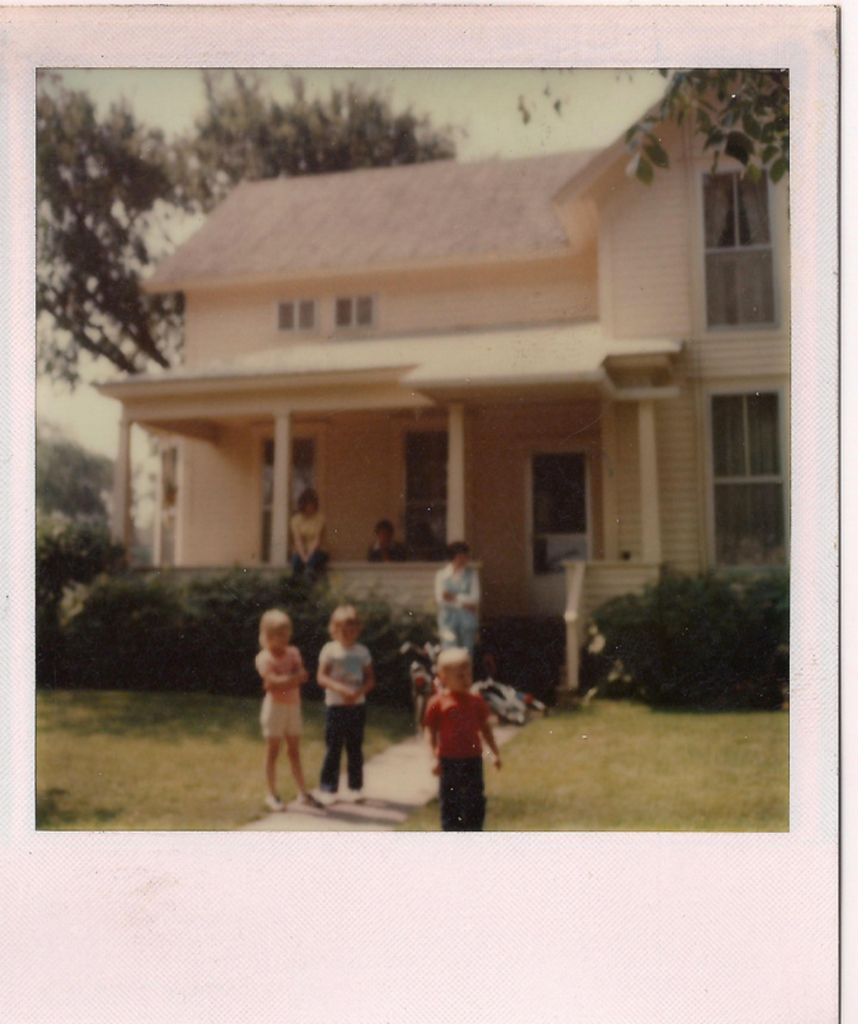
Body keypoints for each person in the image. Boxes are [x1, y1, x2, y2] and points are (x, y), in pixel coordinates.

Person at [423, 647, 501, 831]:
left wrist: (494, 754)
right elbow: (430, 732)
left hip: (472, 759)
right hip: (448, 761)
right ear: (443, 678)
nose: (466, 679)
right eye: (460, 676)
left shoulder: (476, 701)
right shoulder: (437, 703)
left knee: (475, 799)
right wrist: (433, 757)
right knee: (450, 801)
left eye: (468, 674)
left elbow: (485, 730)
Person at [256, 609, 323, 812]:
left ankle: (303, 792)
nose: (284, 639)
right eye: (279, 635)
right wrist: (289, 680)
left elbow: (301, 674)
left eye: (286, 634)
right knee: (273, 751)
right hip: (275, 709)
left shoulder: (293, 652)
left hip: (293, 706)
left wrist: (285, 681)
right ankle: (272, 794)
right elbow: (272, 682)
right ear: (267, 636)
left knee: (294, 751)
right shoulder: (264, 657)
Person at [316, 605, 375, 804]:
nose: (348, 634)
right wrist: (341, 690)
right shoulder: (330, 650)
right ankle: (327, 788)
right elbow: (321, 677)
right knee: (333, 747)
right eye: (343, 630)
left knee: (355, 748)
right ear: (334, 629)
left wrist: (358, 692)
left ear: (358, 629)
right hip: (336, 705)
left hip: (357, 705)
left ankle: (355, 788)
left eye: (352, 630)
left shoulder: (362, 651)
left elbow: (370, 680)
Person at [434, 541, 480, 656]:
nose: (464, 559)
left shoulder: (472, 574)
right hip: (447, 620)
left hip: (467, 621)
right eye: (461, 555)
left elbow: (475, 599)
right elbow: (441, 600)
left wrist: (453, 597)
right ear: (453, 556)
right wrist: (464, 604)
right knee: (449, 653)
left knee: (467, 654)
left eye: (465, 555)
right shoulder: (442, 575)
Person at [290, 488, 328, 578]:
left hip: (317, 551)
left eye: (312, 505)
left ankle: (310, 586)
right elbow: (297, 540)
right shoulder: (296, 520)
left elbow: (317, 540)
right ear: (302, 505)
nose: (310, 508)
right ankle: (297, 588)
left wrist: (309, 557)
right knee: (296, 562)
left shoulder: (320, 518)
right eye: (307, 505)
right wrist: (304, 557)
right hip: (301, 551)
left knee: (312, 563)